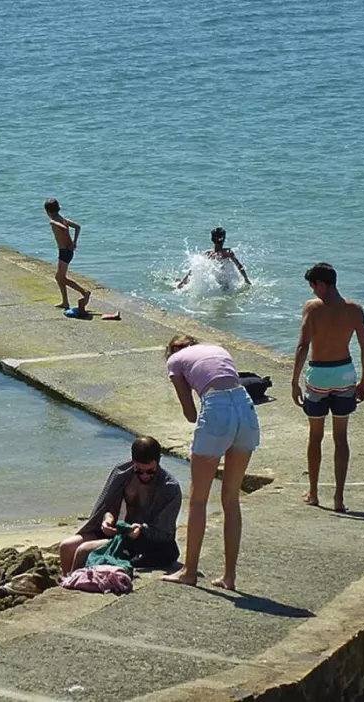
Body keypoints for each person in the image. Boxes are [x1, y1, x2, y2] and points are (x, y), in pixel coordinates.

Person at [160, 334, 260, 589]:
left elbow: (191, 414)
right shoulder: (217, 348)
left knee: (198, 499)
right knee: (231, 499)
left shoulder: (174, 362)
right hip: (245, 406)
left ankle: (189, 571)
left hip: (217, 409)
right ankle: (229, 576)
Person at [290, 262, 364, 514]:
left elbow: (303, 346)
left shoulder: (312, 308)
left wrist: (294, 380)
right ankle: (338, 498)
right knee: (340, 437)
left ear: (322, 284)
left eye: (313, 285)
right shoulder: (355, 310)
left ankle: (313, 493)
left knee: (316, 436)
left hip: (319, 375)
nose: (312, 291)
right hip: (345, 374)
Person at [59, 435, 182, 575]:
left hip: (147, 542)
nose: (145, 476)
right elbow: (109, 506)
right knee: (66, 547)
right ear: (132, 461)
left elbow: (164, 531)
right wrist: (108, 519)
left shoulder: (169, 487)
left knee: (83, 551)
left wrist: (141, 530)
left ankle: (75, 584)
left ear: (158, 462)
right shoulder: (122, 473)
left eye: (150, 471)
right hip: (122, 533)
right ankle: (67, 579)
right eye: (139, 471)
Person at [44, 199, 92, 313]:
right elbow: (77, 227)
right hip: (67, 251)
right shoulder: (63, 219)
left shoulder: (54, 221)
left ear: (48, 211)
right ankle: (65, 302)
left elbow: (64, 228)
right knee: (58, 277)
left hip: (65, 251)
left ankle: (84, 292)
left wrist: (53, 223)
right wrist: (74, 242)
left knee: (62, 278)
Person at [176, 226, 251, 288]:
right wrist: (246, 279)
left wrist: (183, 281)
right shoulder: (227, 252)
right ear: (224, 239)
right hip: (227, 283)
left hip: (215, 283)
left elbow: (194, 270)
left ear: (212, 239)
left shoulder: (208, 254)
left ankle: (182, 282)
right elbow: (239, 265)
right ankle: (182, 282)